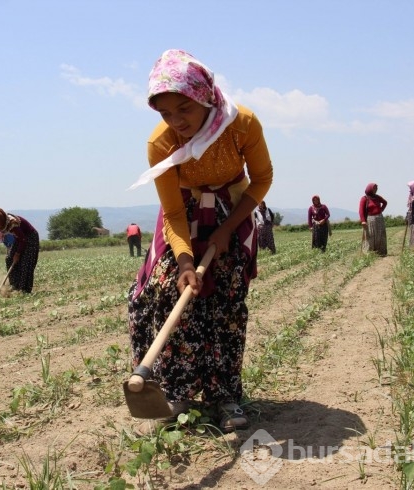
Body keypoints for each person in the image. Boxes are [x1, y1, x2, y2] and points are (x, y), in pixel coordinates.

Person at [127, 49, 273, 433]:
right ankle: (176, 393)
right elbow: (174, 214)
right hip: (185, 213)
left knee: (224, 293)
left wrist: (226, 230)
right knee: (161, 290)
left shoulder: (242, 124)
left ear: (204, 97)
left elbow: (261, 180)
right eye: (165, 114)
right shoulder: (161, 142)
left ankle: (225, 395)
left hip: (232, 206)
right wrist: (185, 262)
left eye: (183, 110)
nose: (176, 122)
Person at [0, 208, 40, 293]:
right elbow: (18, 238)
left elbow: (23, 239)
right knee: (9, 258)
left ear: (1, 221)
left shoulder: (13, 223)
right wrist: (14, 254)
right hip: (19, 239)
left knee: (26, 263)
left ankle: (24, 289)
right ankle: (14, 285)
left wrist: (18, 254)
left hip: (30, 238)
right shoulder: (5, 223)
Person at [358, 183, 388, 256]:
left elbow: (385, 202)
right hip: (370, 219)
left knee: (380, 235)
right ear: (370, 189)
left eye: (376, 188)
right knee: (370, 235)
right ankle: (369, 252)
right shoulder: (364, 198)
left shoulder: (377, 197)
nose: (375, 190)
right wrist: (363, 221)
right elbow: (361, 211)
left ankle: (381, 252)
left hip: (379, 219)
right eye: (374, 188)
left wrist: (381, 210)